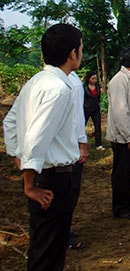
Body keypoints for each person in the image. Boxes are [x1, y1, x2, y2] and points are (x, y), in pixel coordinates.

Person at [3, 23, 84, 271]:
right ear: (72, 53)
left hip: (45, 177)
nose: (81, 53)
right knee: (49, 254)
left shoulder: (37, 80)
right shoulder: (59, 89)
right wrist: (29, 185)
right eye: (81, 48)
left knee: (43, 248)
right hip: (52, 182)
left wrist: (19, 157)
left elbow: (10, 122)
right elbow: (37, 138)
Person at [106, 46, 130, 219]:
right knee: (122, 171)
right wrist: (129, 136)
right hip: (124, 135)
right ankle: (119, 207)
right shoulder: (119, 81)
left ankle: (125, 203)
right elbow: (120, 112)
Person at [68, 71, 89, 250]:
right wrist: (82, 145)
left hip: (66, 147)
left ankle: (64, 229)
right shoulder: (71, 83)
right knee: (69, 191)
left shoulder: (39, 81)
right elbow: (77, 118)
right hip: (69, 147)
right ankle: (62, 232)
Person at [83, 71, 103, 150]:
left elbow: (98, 97)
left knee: (98, 127)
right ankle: (81, 143)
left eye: (96, 78)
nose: (95, 80)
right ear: (88, 79)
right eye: (93, 78)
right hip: (86, 109)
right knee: (82, 126)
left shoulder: (97, 86)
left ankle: (99, 144)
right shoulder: (83, 87)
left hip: (95, 109)